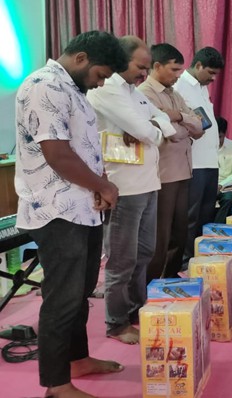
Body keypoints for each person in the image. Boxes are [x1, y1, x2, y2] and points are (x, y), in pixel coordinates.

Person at [15, 30, 128, 398]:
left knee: (79, 293)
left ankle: (77, 360)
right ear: (81, 58)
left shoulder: (72, 89)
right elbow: (57, 154)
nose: (100, 83)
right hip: (56, 209)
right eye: (100, 75)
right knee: (62, 298)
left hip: (81, 207)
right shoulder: (44, 85)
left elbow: (82, 148)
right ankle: (56, 385)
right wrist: (104, 187)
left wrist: (99, 183)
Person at [87, 36, 176, 345]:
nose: (144, 73)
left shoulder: (131, 92)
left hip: (149, 183)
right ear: (122, 61)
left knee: (145, 252)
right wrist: (151, 128)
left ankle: (136, 309)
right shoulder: (107, 90)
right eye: (140, 67)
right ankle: (116, 322)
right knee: (121, 260)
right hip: (122, 187)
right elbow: (145, 130)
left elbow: (162, 122)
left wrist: (154, 126)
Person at [138, 43, 203, 282]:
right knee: (160, 233)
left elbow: (199, 126)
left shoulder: (174, 94)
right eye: (174, 70)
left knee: (179, 230)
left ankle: (171, 276)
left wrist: (178, 116)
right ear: (157, 66)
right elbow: (169, 133)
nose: (178, 76)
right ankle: (152, 282)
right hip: (162, 175)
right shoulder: (144, 94)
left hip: (183, 170)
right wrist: (183, 124)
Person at [174, 47, 225, 265]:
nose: (213, 78)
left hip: (210, 160)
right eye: (211, 73)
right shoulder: (179, 86)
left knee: (206, 212)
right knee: (190, 215)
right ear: (198, 66)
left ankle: (201, 256)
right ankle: (185, 259)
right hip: (193, 162)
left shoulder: (202, 88)